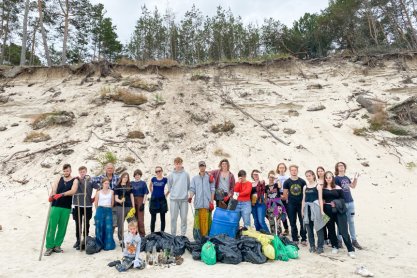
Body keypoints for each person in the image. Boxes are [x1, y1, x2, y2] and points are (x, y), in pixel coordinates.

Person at [44, 164, 79, 256]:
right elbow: (54, 188)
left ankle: (57, 245)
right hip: (55, 205)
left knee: (62, 227)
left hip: (66, 207)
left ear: (70, 171)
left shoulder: (74, 180)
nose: (65, 172)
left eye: (67, 171)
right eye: (64, 171)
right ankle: (49, 246)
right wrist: (52, 195)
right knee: (52, 226)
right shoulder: (59, 178)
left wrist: (62, 194)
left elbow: (73, 191)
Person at [322, 171, 356, 258]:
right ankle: (335, 246)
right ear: (325, 179)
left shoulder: (338, 188)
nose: (328, 179)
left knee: (343, 229)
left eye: (330, 177)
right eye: (327, 177)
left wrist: (335, 202)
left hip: (339, 210)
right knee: (331, 229)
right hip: (326, 211)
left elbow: (343, 200)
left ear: (332, 178)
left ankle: (350, 249)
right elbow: (321, 199)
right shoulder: (322, 188)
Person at [335, 162, 363, 250]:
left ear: (344, 167)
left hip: (350, 202)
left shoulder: (346, 178)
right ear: (337, 168)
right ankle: (339, 240)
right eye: (339, 166)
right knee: (341, 222)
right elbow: (335, 191)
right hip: (342, 203)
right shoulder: (336, 178)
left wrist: (355, 178)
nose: (341, 167)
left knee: (351, 221)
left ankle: (354, 240)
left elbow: (353, 186)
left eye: (342, 165)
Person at [72, 166, 99, 250]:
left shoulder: (90, 180)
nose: (82, 173)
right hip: (78, 204)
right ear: (79, 172)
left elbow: (99, 188)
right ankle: (78, 240)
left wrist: (94, 198)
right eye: (81, 172)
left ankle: (85, 239)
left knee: (86, 223)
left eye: (83, 171)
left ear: (86, 171)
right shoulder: (76, 180)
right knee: (78, 223)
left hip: (87, 205)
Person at [189, 161, 215, 240]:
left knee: (207, 222)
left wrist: (212, 201)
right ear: (199, 167)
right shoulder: (194, 179)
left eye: (203, 166)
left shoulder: (210, 178)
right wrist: (190, 196)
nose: (202, 167)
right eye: (200, 166)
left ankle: (207, 238)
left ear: (205, 166)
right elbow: (192, 189)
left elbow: (212, 189)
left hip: (207, 204)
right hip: (198, 204)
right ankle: (198, 238)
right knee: (198, 222)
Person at [301, 170, 325, 254]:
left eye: (309, 175)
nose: (308, 177)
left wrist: (321, 210)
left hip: (316, 208)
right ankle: (312, 246)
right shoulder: (305, 187)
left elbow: (320, 199)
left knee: (318, 228)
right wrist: (302, 210)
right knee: (309, 229)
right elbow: (303, 199)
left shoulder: (318, 186)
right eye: (307, 176)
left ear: (313, 176)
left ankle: (320, 246)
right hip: (307, 209)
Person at [283, 165, 307, 245]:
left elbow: (305, 194)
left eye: (295, 170)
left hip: (301, 204)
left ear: (297, 171)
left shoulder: (302, 181)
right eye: (292, 170)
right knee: (292, 222)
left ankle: (304, 238)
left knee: (302, 221)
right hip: (291, 204)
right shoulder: (287, 182)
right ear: (290, 171)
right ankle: (295, 238)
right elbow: (285, 194)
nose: (294, 171)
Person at [166, 157, 190, 236]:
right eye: (177, 164)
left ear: (181, 164)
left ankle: (183, 235)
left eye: (179, 163)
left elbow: (188, 186)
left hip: (184, 200)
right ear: (174, 164)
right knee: (173, 219)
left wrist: (186, 195)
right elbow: (169, 187)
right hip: (174, 200)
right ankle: (173, 235)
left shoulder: (186, 174)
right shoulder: (171, 175)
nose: (178, 165)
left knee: (183, 219)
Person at [94, 178, 116, 250]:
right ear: (102, 184)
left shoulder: (111, 192)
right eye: (105, 183)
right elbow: (96, 203)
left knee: (108, 227)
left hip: (108, 210)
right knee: (99, 227)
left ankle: (108, 245)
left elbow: (112, 203)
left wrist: (108, 208)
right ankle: (99, 244)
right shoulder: (98, 192)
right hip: (100, 210)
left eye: (108, 183)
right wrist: (99, 210)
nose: (107, 185)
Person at [114, 172, 135, 246]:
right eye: (124, 177)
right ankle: (121, 239)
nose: (125, 178)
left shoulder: (130, 186)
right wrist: (120, 201)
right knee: (120, 223)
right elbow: (116, 198)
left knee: (132, 222)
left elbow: (132, 196)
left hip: (129, 206)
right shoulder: (117, 186)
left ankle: (131, 237)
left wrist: (133, 207)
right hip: (120, 207)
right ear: (121, 177)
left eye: (127, 177)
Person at [266, 171, 286, 235]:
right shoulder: (266, 186)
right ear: (268, 177)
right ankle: (273, 235)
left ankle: (279, 236)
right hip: (270, 204)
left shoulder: (276, 184)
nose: (271, 178)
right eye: (270, 177)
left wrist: (276, 179)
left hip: (278, 204)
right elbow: (265, 197)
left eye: (272, 177)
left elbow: (280, 186)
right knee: (271, 221)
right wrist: (266, 205)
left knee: (278, 221)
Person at [149, 166, 168, 233]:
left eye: (159, 171)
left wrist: (166, 194)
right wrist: (152, 193)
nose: (158, 172)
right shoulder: (153, 179)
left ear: (162, 171)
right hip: (154, 200)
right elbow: (150, 186)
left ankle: (162, 233)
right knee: (153, 219)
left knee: (162, 218)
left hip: (162, 200)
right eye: (156, 171)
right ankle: (152, 233)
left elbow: (170, 187)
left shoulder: (165, 179)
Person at [131, 169, 149, 237]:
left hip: (141, 200)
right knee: (134, 218)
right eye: (136, 175)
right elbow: (131, 193)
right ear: (134, 175)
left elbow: (145, 194)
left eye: (138, 175)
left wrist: (143, 203)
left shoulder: (143, 183)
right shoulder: (131, 183)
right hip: (133, 200)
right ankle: (134, 232)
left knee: (140, 219)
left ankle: (142, 234)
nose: (137, 176)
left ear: (140, 175)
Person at [276, 162, 289, 235]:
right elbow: (275, 188)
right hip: (279, 196)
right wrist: (279, 196)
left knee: (287, 213)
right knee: (280, 213)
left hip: (287, 195)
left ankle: (288, 229)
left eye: (283, 167)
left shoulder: (287, 177)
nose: (281, 169)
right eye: (280, 167)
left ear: (285, 169)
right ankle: (283, 229)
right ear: (278, 169)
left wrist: (286, 195)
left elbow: (289, 188)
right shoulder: (276, 177)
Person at [316, 166, 329, 245]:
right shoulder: (316, 181)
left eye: (321, 171)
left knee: (328, 221)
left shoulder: (327, 180)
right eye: (318, 171)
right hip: (320, 203)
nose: (320, 172)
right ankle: (325, 238)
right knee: (322, 221)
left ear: (324, 171)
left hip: (328, 202)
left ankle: (330, 237)